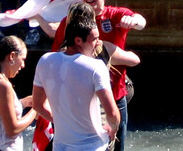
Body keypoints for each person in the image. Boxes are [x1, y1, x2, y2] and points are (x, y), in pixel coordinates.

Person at [41, 0, 145, 151]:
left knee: (115, 144)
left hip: (114, 94)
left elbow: (140, 22)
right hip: (80, 98)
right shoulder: (68, 22)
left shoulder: (114, 15)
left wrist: (134, 21)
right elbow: (56, 57)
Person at [32, 14, 120, 151]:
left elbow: (37, 105)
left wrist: (62, 122)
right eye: (95, 39)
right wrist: (113, 130)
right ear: (78, 40)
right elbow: (113, 114)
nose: (99, 43)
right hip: (93, 146)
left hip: (60, 146)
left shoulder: (45, 61)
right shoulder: (96, 66)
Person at [0, 37, 37, 151]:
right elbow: (12, 129)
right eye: (22, 59)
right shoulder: (3, 86)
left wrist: (23, 103)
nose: (23, 65)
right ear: (12, 56)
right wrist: (36, 110)